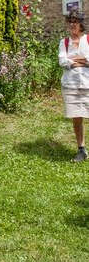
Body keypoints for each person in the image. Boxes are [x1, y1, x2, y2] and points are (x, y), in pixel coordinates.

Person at [58, 10, 89, 162]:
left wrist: (72, 61)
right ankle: (81, 150)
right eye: (70, 21)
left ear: (81, 23)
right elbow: (62, 62)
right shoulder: (64, 42)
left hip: (87, 84)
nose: (72, 24)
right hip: (70, 85)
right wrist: (82, 61)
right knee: (77, 118)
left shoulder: (88, 40)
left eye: (75, 21)